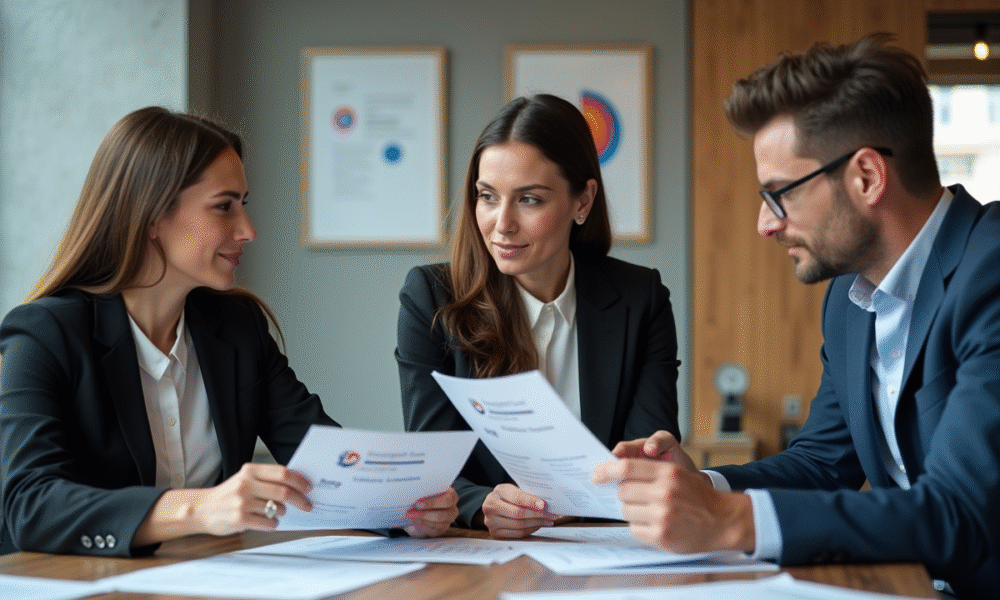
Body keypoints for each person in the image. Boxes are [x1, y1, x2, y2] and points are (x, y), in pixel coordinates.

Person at [592, 34, 999, 598]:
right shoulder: (851, 299)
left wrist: (731, 520)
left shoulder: (992, 270)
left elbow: (961, 513)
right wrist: (700, 485)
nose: (764, 223)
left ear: (866, 177)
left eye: (780, 194)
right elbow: (820, 464)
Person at [0, 106, 458, 557]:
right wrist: (200, 509)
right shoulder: (46, 334)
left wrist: (407, 507)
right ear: (151, 217)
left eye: (243, 205)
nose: (247, 230)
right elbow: (30, 505)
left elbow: (323, 461)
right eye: (224, 207)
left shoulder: (237, 329)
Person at [397, 94, 681, 539]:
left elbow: (646, 451)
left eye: (529, 200)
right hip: (478, 551)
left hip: (606, 547)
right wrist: (481, 503)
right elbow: (433, 462)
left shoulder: (640, 299)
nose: (502, 224)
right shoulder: (431, 297)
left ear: (582, 200)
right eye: (487, 197)